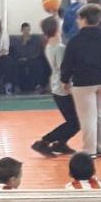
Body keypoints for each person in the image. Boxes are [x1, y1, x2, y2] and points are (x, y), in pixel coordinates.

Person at [60, 4, 101, 157]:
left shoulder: (76, 40)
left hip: (83, 82)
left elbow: (68, 62)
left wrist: (64, 79)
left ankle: (89, 150)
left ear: (83, 19)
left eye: (78, 18)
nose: (77, 21)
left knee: (87, 116)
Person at [32, 16, 80, 156]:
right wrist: (70, 86)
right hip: (63, 88)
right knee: (75, 122)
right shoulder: (60, 48)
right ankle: (45, 141)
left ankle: (61, 143)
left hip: (56, 86)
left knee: (73, 121)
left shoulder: (49, 45)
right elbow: (63, 69)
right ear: (57, 29)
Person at [9, 22, 46, 93]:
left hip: (32, 59)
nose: (26, 31)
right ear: (22, 30)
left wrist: (29, 58)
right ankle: (17, 86)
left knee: (38, 64)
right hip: (21, 59)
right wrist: (23, 47)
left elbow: (37, 51)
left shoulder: (35, 39)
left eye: (28, 29)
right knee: (15, 64)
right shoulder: (17, 41)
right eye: (25, 30)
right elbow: (16, 52)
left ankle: (38, 85)